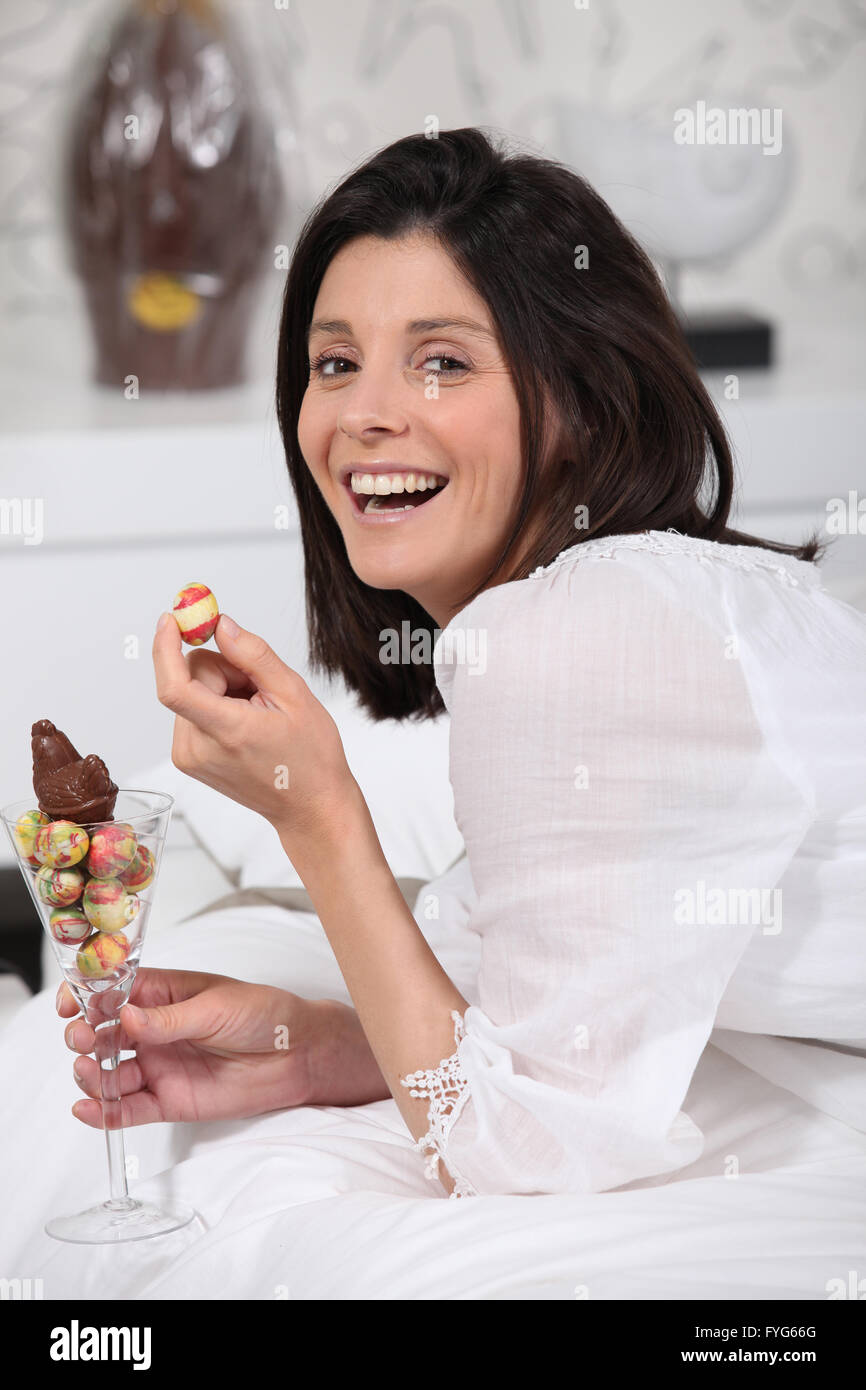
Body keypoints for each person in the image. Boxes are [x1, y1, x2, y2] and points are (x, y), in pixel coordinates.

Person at [57, 127, 866, 1200]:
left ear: (575, 406)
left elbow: (522, 1152)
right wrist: (321, 1048)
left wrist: (315, 809)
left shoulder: (586, 630)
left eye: (441, 361)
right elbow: (560, 975)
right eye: (334, 363)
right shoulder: (632, 610)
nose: (365, 413)